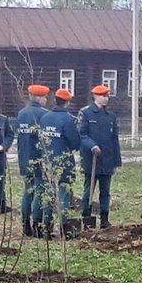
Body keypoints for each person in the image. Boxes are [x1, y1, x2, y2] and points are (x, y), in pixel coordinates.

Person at [38, 88, 82, 238]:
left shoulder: (44, 118)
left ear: (55, 100)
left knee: (49, 193)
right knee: (64, 193)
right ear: (67, 102)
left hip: (47, 160)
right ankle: (65, 228)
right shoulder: (69, 119)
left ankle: (47, 228)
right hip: (64, 161)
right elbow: (75, 142)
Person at [77, 84, 121, 229]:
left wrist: (116, 162)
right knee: (88, 190)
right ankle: (86, 216)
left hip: (107, 159)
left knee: (105, 191)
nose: (106, 98)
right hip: (91, 159)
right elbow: (81, 134)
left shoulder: (111, 117)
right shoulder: (86, 114)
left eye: (107, 96)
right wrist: (92, 145)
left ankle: (104, 218)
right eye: (103, 96)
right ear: (95, 96)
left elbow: (115, 140)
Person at [15, 84, 50, 236]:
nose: (46, 100)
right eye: (44, 97)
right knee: (40, 191)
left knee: (27, 191)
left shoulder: (21, 113)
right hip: (38, 159)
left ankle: (25, 224)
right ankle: (37, 224)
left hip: (24, 158)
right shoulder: (44, 115)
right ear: (39, 98)